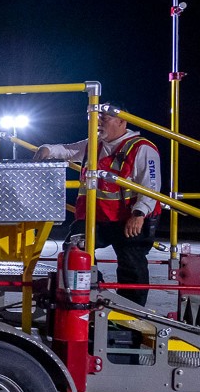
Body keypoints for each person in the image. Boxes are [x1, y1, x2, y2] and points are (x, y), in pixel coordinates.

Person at [33, 102, 162, 306]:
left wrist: (139, 214)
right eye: (95, 118)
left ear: (122, 121)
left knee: (131, 262)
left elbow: (151, 185)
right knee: (73, 250)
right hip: (97, 217)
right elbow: (68, 150)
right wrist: (46, 149)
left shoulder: (142, 148)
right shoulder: (94, 143)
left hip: (129, 218)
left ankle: (132, 311)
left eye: (104, 118)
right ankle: (94, 294)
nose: (98, 122)